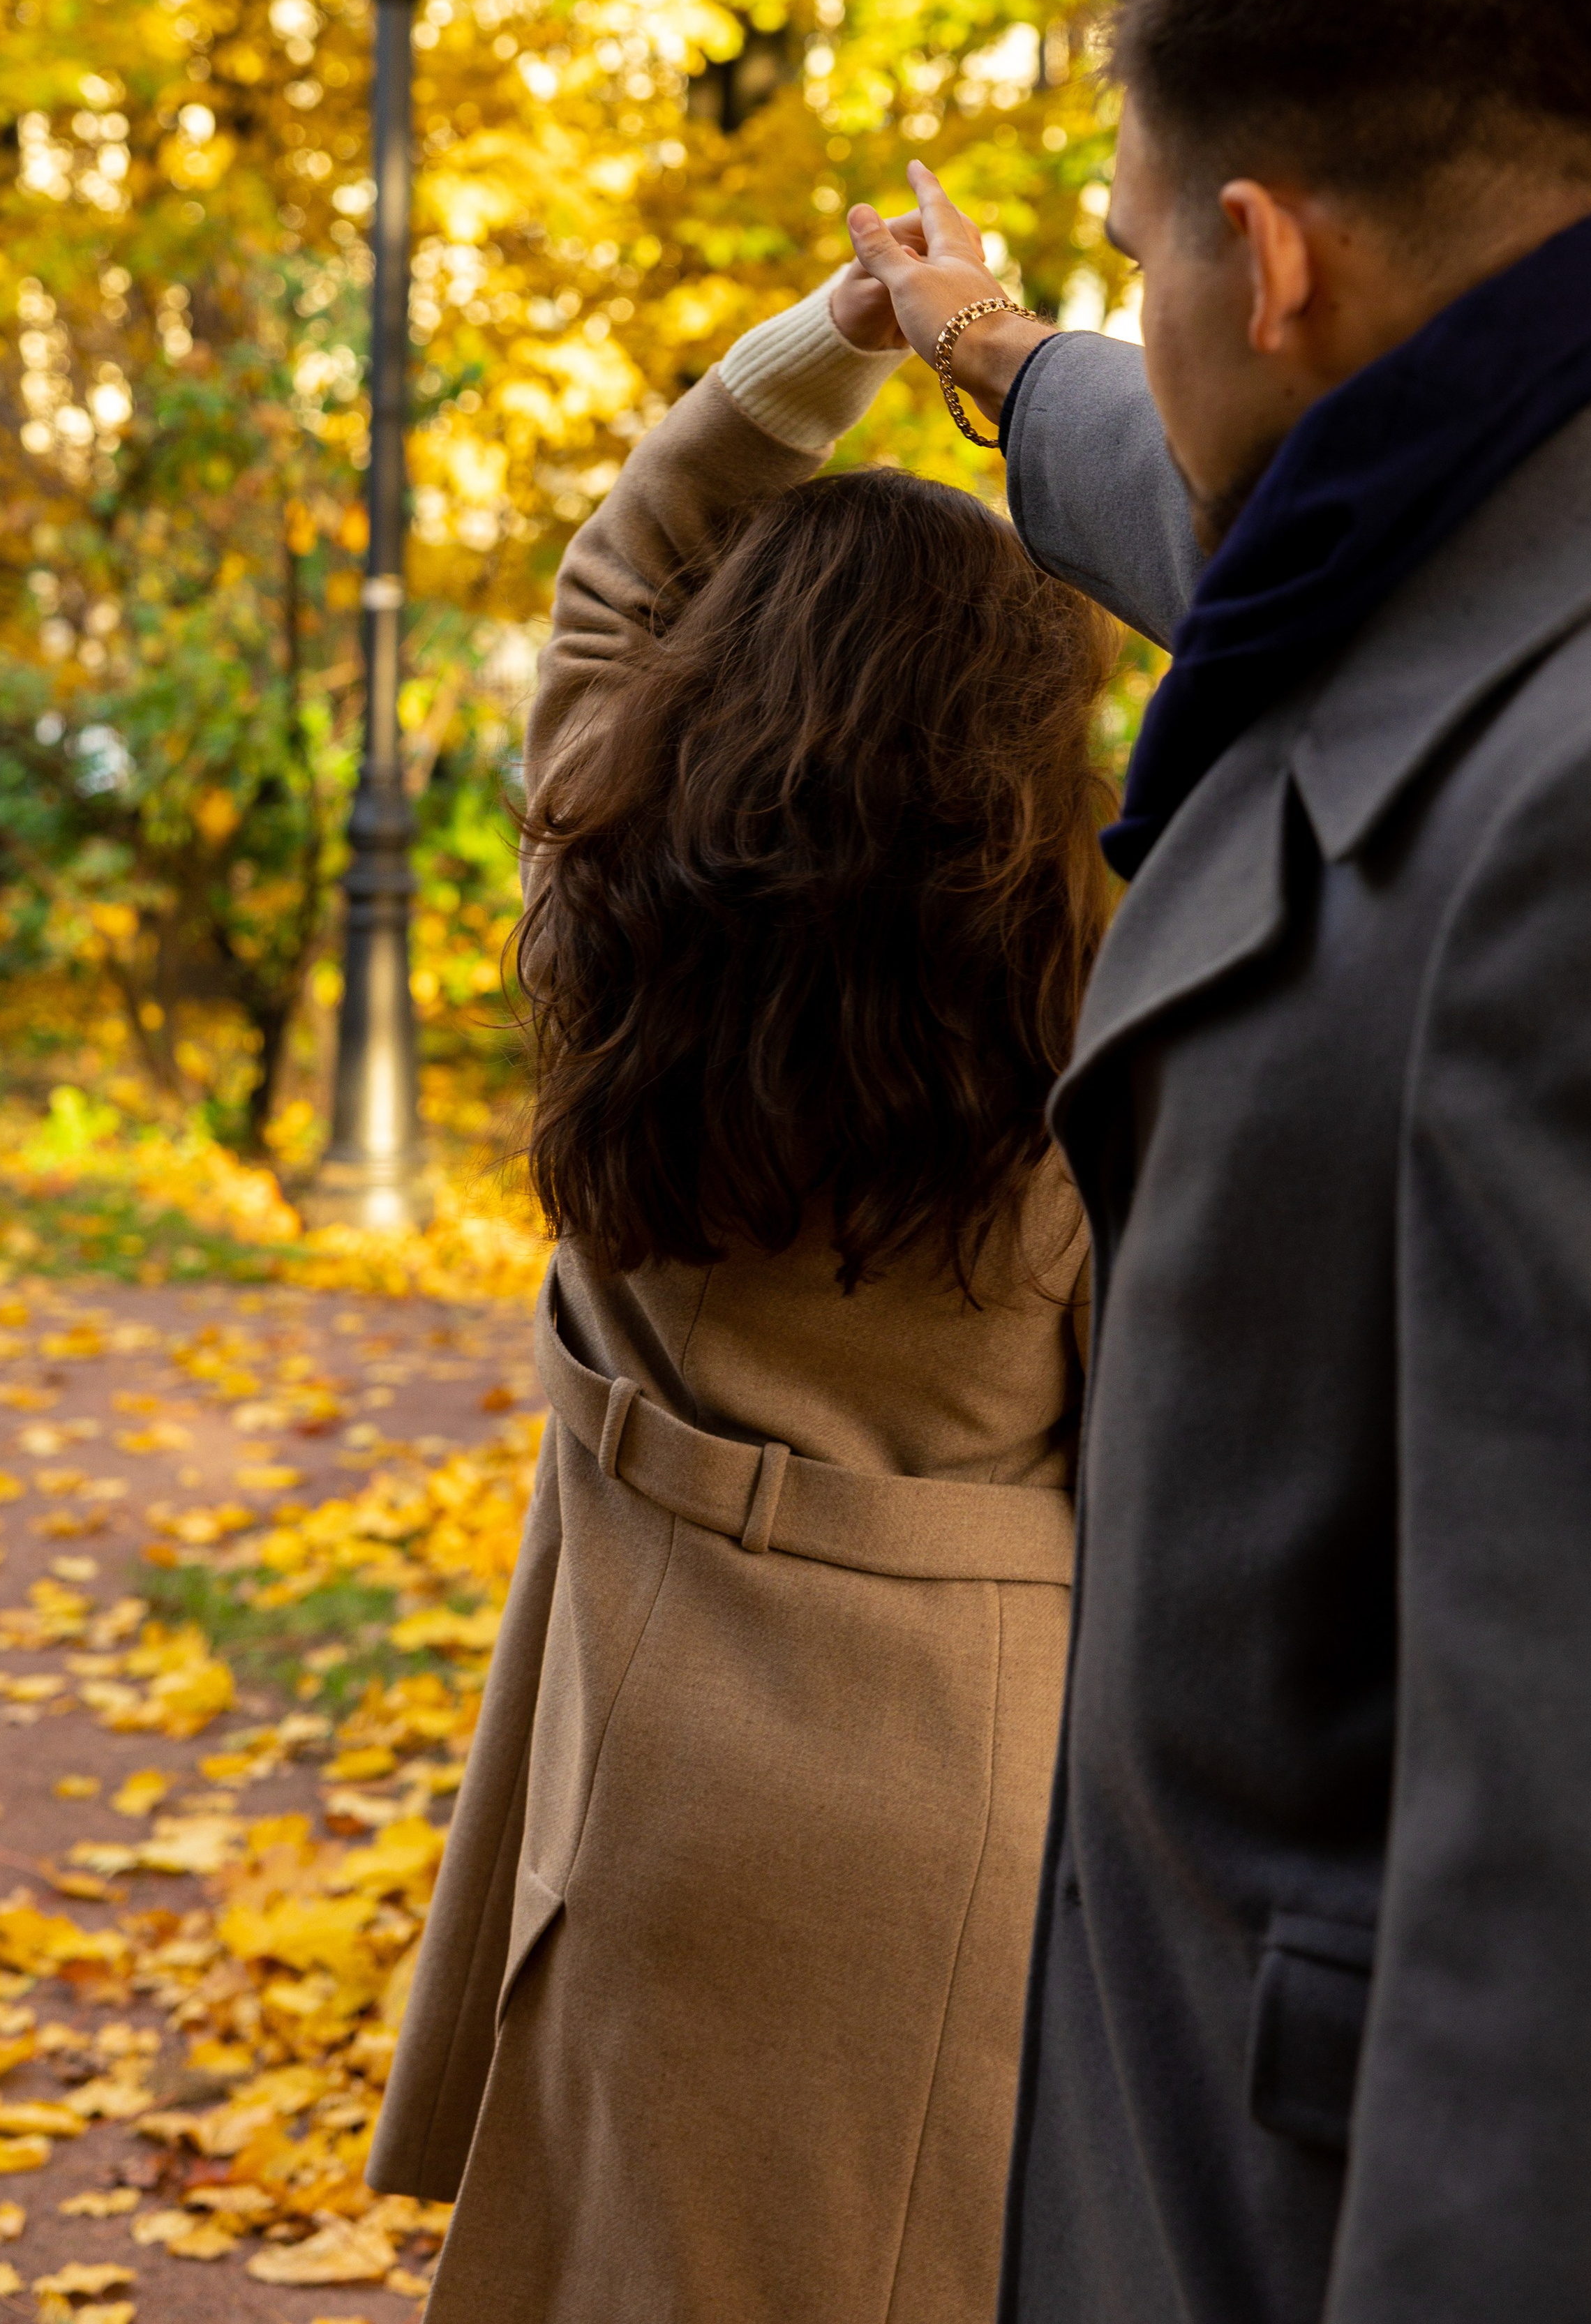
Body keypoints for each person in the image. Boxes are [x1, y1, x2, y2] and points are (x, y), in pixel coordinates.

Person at [850, 0, 1591, 2324]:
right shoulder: (1526, 471)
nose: (1141, 303)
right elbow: (1238, 517)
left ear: (1275, 255)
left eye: (1141, 251)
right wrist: (1003, 353)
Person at [366, 254, 1119, 2321]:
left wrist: (850, 329)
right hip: (956, 1774)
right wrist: (1027, 381)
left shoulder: (612, 884)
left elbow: (628, 552)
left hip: (639, 1719)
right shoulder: (1108, 1002)